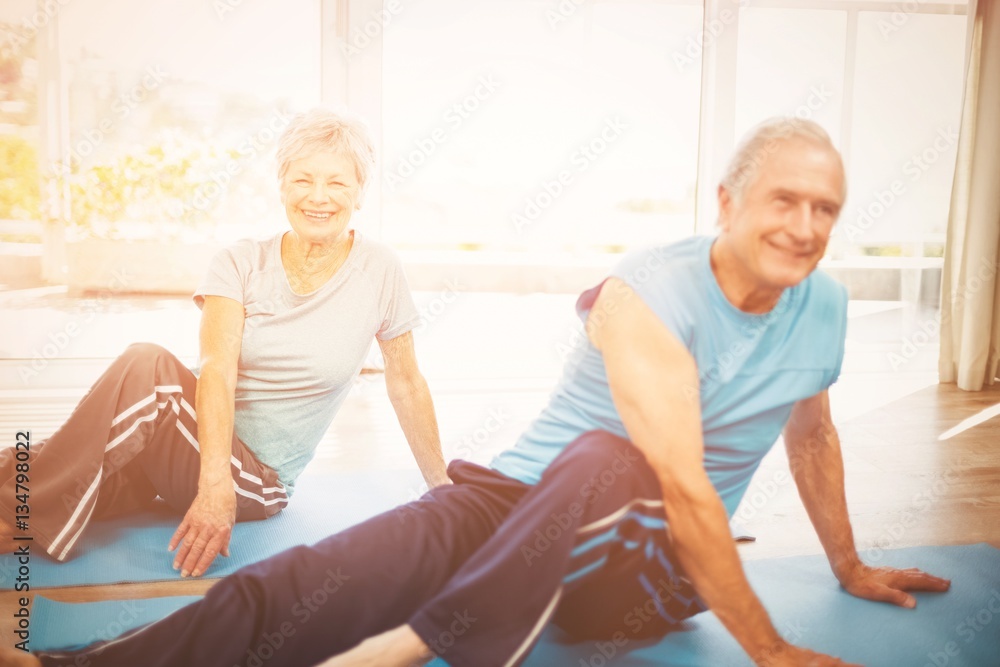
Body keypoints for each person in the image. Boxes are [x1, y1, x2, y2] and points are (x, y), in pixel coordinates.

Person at [6, 118, 951, 667]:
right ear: (729, 204)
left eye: (824, 206)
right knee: (297, 581)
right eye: (783, 199)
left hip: (642, 566)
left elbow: (810, 435)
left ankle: (415, 643)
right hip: (509, 501)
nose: (804, 223)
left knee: (608, 457)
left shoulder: (824, 307)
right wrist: (439, 490)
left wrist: (844, 568)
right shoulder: (645, 295)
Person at [0, 108, 450, 579]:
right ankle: (23, 499)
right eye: (302, 180)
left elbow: (406, 381)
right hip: (189, 453)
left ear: (360, 193)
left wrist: (442, 485)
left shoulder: (380, 271)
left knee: (148, 367)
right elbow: (216, 368)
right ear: (281, 186)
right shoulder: (239, 262)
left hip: (256, 481)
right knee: (30, 461)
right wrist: (210, 480)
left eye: (337, 183)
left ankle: (23, 515)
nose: (318, 197)